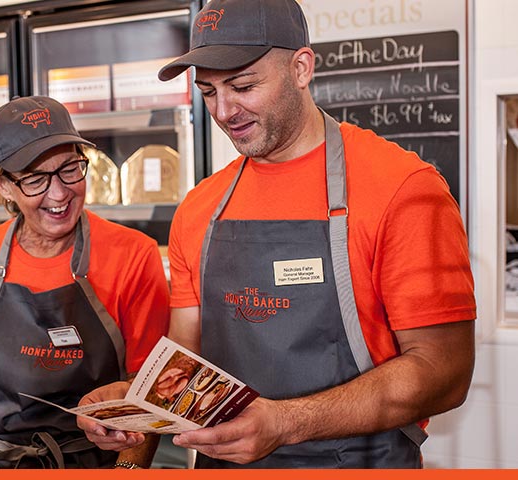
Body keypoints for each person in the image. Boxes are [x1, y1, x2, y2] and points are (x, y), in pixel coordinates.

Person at [77, 0, 476, 469]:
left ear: (301, 68)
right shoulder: (200, 208)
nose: (224, 111)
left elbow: (444, 372)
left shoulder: (401, 189)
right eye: (208, 92)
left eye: (243, 86)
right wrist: (135, 406)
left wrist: (286, 421)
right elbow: (183, 362)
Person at [0, 95, 170, 469]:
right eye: (36, 179)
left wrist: (127, 472)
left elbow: (149, 389)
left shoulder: (133, 253)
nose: (59, 194)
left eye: (70, 169)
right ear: (3, 186)